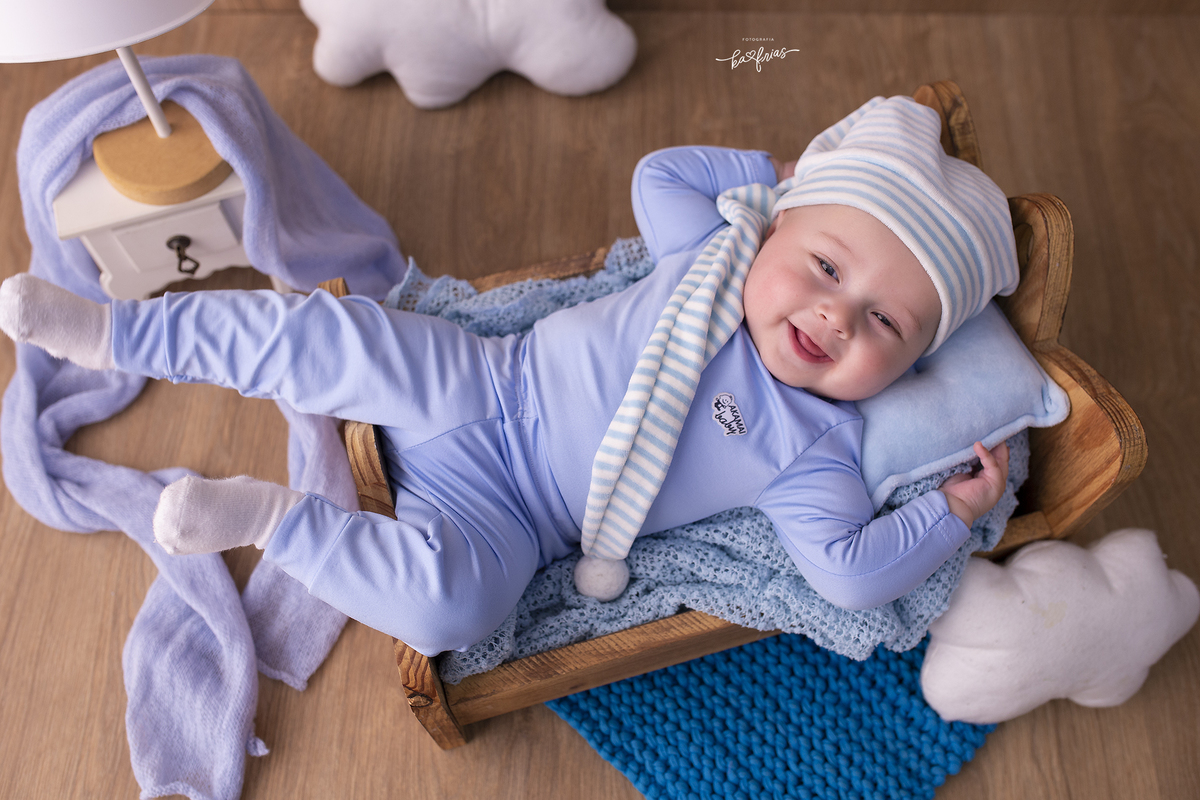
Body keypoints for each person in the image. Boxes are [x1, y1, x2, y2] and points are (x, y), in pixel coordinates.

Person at [0, 95, 1013, 657]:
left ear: (914, 361)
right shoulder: (708, 257)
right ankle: (112, 332)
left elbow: (846, 569)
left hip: (521, 520)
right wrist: (775, 181)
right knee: (325, 338)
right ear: (781, 230)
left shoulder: (820, 450)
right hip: (485, 381)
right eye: (826, 266)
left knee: (458, 612)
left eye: (885, 321)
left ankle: (267, 518)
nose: (834, 315)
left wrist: (954, 509)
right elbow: (663, 172)